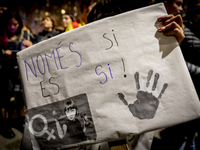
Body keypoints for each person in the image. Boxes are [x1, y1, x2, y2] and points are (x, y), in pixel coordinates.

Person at [0, 7, 34, 138]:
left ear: (19, 23)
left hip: (21, 72)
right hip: (5, 72)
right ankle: (5, 125)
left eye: (15, 24)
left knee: (22, 98)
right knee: (5, 100)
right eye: (9, 24)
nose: (12, 27)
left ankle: (21, 122)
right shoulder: (2, 35)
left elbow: (37, 50)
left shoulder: (25, 35)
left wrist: (31, 45)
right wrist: (3, 53)